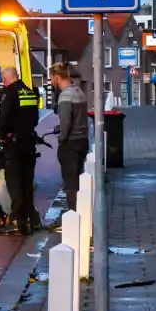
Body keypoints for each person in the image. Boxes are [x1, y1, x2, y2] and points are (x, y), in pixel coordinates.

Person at [0, 66, 41, 235]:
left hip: (13, 145)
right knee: (27, 182)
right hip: (29, 143)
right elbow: (35, 118)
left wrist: (2, 136)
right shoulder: (29, 92)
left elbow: (3, 117)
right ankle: (30, 219)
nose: (3, 83)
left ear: (6, 79)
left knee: (15, 184)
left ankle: (17, 221)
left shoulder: (10, 93)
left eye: (3, 79)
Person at [51, 63, 89, 210]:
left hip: (70, 144)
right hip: (82, 141)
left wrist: (61, 140)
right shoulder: (79, 92)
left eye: (52, 78)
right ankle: (80, 211)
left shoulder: (65, 96)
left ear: (57, 77)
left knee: (70, 182)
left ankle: (73, 213)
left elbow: (66, 122)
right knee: (78, 178)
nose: (52, 82)